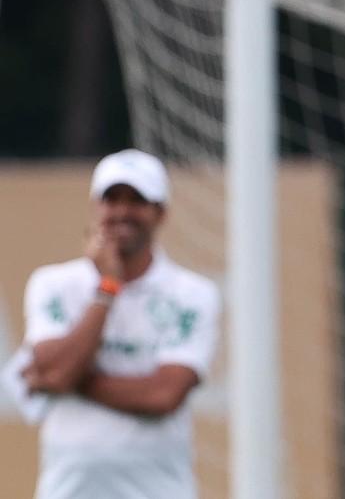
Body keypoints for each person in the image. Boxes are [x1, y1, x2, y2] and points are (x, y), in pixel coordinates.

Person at [19, 149, 220, 499]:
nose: (123, 212)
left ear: (161, 213)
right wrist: (107, 289)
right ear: (96, 207)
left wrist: (65, 379)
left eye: (137, 201)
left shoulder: (193, 294)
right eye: (112, 199)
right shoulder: (53, 284)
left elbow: (163, 395)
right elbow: (53, 369)